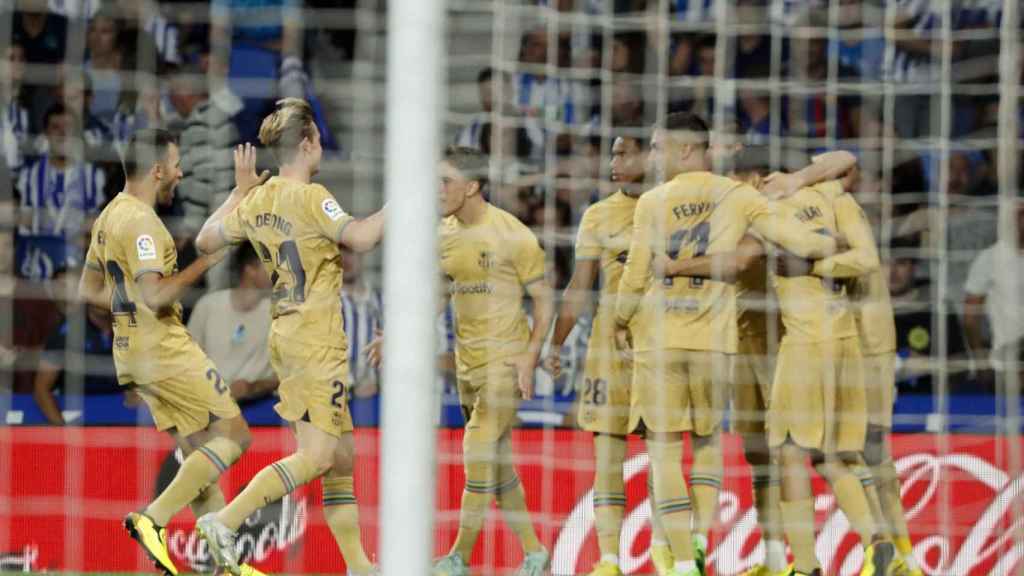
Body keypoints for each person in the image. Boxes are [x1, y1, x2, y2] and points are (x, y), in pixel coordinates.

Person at [613, 112, 837, 576]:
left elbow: (636, 273)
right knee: (709, 441)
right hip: (715, 344)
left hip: (660, 342)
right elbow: (798, 240)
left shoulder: (652, 202)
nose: (652, 157)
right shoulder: (738, 197)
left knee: (664, 452)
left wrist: (619, 320)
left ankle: (679, 564)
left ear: (688, 149)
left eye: (658, 148)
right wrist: (825, 242)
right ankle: (698, 540)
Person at [193, 98, 385, 576]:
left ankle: (361, 568)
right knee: (318, 455)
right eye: (319, 138)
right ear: (307, 142)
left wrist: (237, 194)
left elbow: (204, 242)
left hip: (287, 336)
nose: (322, 147)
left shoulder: (260, 198)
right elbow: (360, 238)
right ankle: (226, 520)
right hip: (316, 341)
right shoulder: (311, 195)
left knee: (340, 458)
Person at [76, 128, 262, 576]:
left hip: (132, 352)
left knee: (199, 454)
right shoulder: (142, 223)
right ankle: (152, 519)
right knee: (235, 437)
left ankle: (226, 566)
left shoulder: (110, 217)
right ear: (157, 169)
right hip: (163, 348)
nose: (180, 174)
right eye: (176, 164)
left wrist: (128, 305)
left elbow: (88, 290)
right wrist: (209, 263)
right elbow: (158, 297)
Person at [755, 161, 897, 576]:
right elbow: (866, 258)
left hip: (804, 348)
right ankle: (876, 541)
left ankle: (805, 566)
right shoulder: (826, 198)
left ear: (757, 178)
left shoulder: (760, 210)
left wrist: (810, 258)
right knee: (831, 455)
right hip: (845, 340)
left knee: (788, 453)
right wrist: (827, 253)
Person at [544, 132, 674, 576]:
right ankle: (609, 559)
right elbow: (579, 285)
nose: (615, 160)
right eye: (613, 152)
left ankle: (663, 550)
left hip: (657, 344)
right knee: (607, 455)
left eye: (625, 152)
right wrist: (556, 344)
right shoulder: (598, 215)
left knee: (663, 451)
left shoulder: (669, 205)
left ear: (649, 156)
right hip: (606, 348)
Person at [425, 146, 555, 576]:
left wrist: (530, 356)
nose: (437, 189)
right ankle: (535, 552)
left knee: (476, 448)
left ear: (473, 185)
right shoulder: (443, 232)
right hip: (467, 363)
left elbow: (543, 299)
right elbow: (442, 290)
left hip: (505, 360)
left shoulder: (513, 234)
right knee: (496, 462)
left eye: (445, 181)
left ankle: (458, 557)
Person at [187, 243, 276, 402]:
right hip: (208, 405)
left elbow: (289, 375)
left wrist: (254, 387)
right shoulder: (208, 305)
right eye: (271, 265)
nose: (278, 272)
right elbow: (186, 361)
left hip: (260, 408)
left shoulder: (279, 313)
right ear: (250, 269)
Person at [32, 298, 119, 425]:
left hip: (120, 407)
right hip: (76, 406)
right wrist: (62, 431)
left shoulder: (134, 327)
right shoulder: (66, 334)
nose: (99, 295)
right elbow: (41, 389)